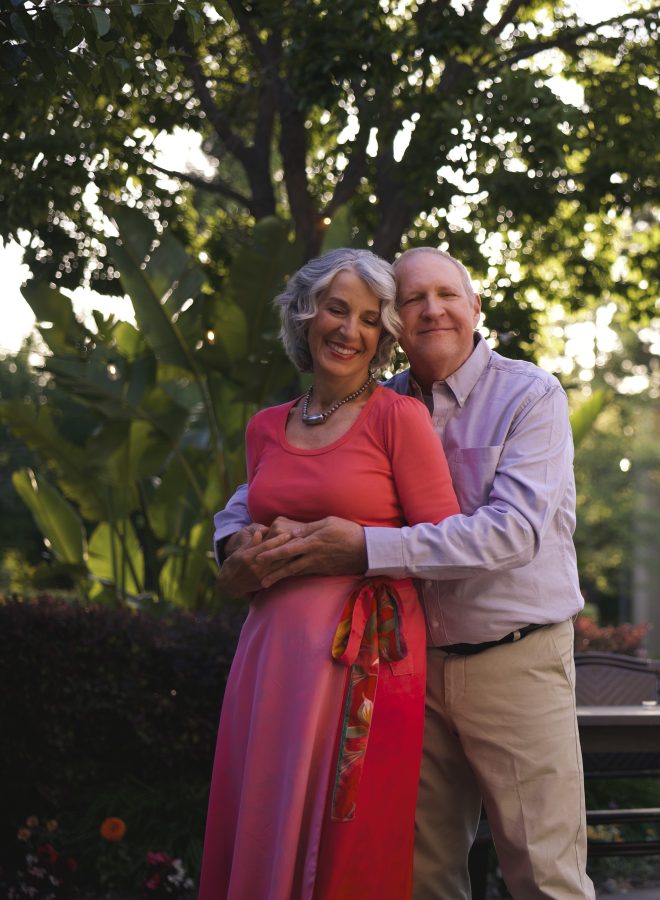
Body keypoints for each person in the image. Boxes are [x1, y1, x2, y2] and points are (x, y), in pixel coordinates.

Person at [214, 247, 594, 900]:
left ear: (475, 307)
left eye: (447, 293)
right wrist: (230, 546)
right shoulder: (372, 401)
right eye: (413, 299)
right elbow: (256, 495)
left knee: (544, 875)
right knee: (424, 877)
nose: (431, 309)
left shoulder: (529, 395)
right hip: (405, 671)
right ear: (397, 324)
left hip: (514, 659)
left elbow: (513, 532)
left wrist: (364, 548)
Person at [200, 248, 461, 900]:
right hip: (269, 661)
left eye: (370, 318)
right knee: (264, 818)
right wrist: (243, 554)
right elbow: (237, 525)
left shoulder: (399, 419)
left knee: (348, 839)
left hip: (368, 658)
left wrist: (359, 547)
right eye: (336, 309)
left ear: (384, 337)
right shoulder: (264, 429)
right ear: (305, 313)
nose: (349, 330)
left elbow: (446, 543)